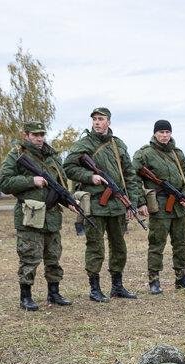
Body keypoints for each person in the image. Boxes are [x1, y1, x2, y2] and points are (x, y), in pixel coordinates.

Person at [64, 107, 146, 302]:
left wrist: (131, 203)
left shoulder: (118, 145)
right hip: (94, 204)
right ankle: (95, 288)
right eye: (94, 119)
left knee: (119, 246)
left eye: (101, 119)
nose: (97, 122)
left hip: (117, 205)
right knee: (95, 247)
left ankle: (117, 286)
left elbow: (130, 175)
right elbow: (68, 167)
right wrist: (90, 177)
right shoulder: (84, 144)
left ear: (109, 122)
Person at [0, 121, 71, 311]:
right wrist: (31, 180)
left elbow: (61, 184)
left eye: (41, 135)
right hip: (29, 216)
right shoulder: (17, 155)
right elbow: (5, 183)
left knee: (53, 257)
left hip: (52, 216)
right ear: (26, 135)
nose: (39, 138)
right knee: (30, 257)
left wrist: (69, 201)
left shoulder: (53, 157)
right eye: (34, 135)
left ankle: (54, 293)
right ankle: (26, 296)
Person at [132, 120, 185, 294]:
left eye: (167, 132)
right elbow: (133, 176)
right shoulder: (144, 153)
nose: (165, 135)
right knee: (157, 244)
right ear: (155, 134)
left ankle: (182, 278)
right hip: (159, 204)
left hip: (178, 206)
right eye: (161, 132)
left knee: (180, 243)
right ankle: (154, 280)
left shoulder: (177, 153)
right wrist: (141, 201)